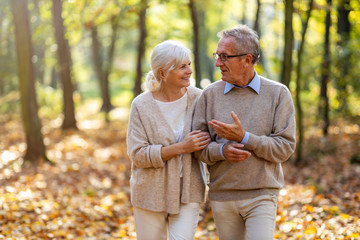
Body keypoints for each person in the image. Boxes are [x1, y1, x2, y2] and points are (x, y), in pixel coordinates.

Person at [192, 25, 296, 240]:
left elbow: (284, 148)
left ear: (247, 59)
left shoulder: (278, 94)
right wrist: (222, 151)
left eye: (224, 56)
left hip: (262, 194)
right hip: (223, 195)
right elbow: (197, 148)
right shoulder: (209, 95)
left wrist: (244, 138)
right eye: (217, 55)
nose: (218, 62)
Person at [126, 40, 210, 240]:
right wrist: (181, 147)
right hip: (150, 192)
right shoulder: (141, 105)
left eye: (189, 64)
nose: (189, 71)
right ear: (162, 73)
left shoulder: (200, 99)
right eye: (182, 67)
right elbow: (138, 154)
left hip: (188, 191)